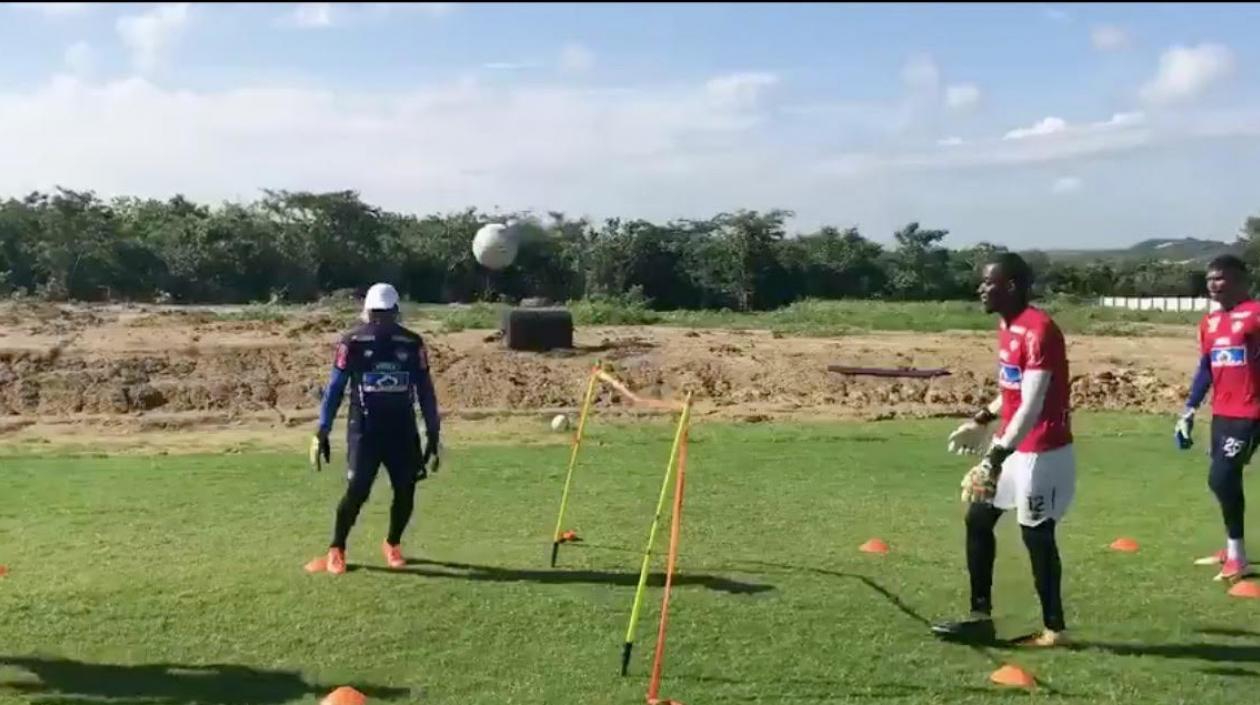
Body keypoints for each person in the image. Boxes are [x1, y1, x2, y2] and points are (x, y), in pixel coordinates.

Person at [932, 252, 1075, 648]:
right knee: (978, 519)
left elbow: (1031, 405)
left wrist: (994, 458)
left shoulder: (1039, 330)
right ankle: (980, 617)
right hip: (1013, 443)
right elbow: (1011, 394)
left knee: (1037, 536)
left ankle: (1054, 630)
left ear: (1010, 286)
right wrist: (981, 419)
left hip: (1041, 450)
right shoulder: (1007, 326)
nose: (981, 288)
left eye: (988, 282)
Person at [309, 282, 441, 575]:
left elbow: (424, 389)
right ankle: (337, 547)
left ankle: (392, 543)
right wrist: (323, 428)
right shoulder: (353, 342)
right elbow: (336, 388)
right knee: (357, 490)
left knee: (405, 489)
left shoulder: (411, 343)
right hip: (365, 428)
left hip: (401, 429)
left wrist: (433, 430)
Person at [1175, 255, 1258, 582]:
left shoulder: (1255, 316)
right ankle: (1232, 548)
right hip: (1221, 414)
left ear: (1240, 280)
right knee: (1226, 479)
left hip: (1251, 413)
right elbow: (1206, 368)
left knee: (1221, 477)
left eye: (1220, 278)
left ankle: (1238, 558)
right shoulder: (1209, 323)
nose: (1212, 284)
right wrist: (1189, 410)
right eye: (1210, 278)